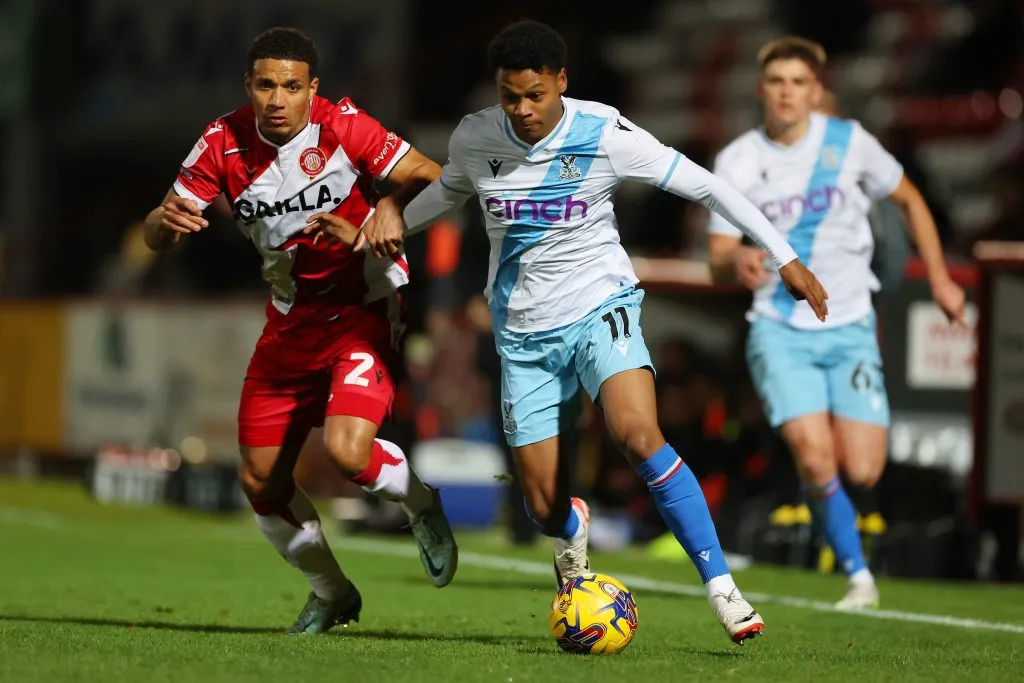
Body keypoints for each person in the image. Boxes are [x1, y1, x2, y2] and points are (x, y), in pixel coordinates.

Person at [346, 19, 830, 645]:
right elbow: (448, 193)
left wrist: (784, 255)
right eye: (509, 96)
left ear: (561, 83)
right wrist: (384, 229)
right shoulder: (475, 137)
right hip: (523, 336)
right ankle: (570, 528)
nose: (521, 110)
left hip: (602, 305)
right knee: (543, 503)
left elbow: (706, 186)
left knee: (637, 434)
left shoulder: (604, 131)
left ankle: (723, 588)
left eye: (534, 95)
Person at [142, 27, 458, 634]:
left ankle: (421, 503)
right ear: (249, 88)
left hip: (366, 305)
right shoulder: (221, 143)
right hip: (290, 319)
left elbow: (430, 172)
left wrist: (389, 204)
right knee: (261, 481)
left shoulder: (343, 127)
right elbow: (160, 229)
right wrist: (162, 219)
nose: (278, 99)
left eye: (292, 86)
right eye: (266, 85)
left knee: (346, 453)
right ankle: (333, 592)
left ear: (313, 90)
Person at [706, 36, 965, 610]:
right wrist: (737, 260)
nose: (787, 93)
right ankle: (858, 576)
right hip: (779, 328)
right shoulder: (739, 160)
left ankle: (823, 497)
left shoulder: (850, 144)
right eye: (777, 82)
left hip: (849, 326)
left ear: (816, 90)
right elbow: (718, 256)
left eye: (798, 83)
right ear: (761, 90)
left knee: (866, 469)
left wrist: (942, 278)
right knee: (816, 456)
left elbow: (911, 200)